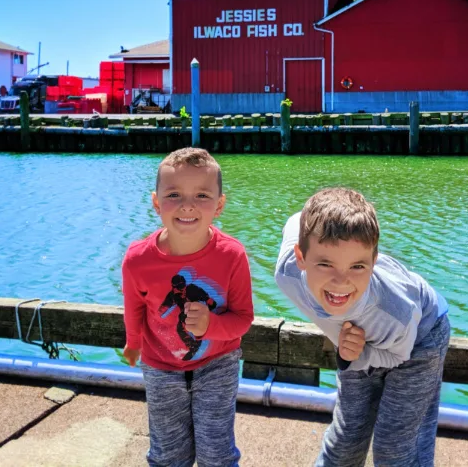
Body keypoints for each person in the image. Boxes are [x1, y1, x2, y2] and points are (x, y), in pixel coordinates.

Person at [274, 187, 450, 467]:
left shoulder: (393, 314)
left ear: (373, 261)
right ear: (301, 256)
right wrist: (347, 355)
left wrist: (356, 355)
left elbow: (397, 357)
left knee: (394, 445)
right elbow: (297, 220)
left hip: (418, 339)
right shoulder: (287, 273)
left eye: (357, 266)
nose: (340, 282)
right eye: (325, 263)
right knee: (347, 436)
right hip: (354, 339)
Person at [122, 147, 254, 467]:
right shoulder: (137, 260)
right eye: (174, 194)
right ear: (156, 202)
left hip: (218, 363)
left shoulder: (232, 255)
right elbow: (135, 309)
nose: (187, 205)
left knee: (216, 454)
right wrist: (134, 343)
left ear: (219, 205)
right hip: (160, 366)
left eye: (202, 195)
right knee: (168, 455)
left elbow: (243, 319)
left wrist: (212, 325)